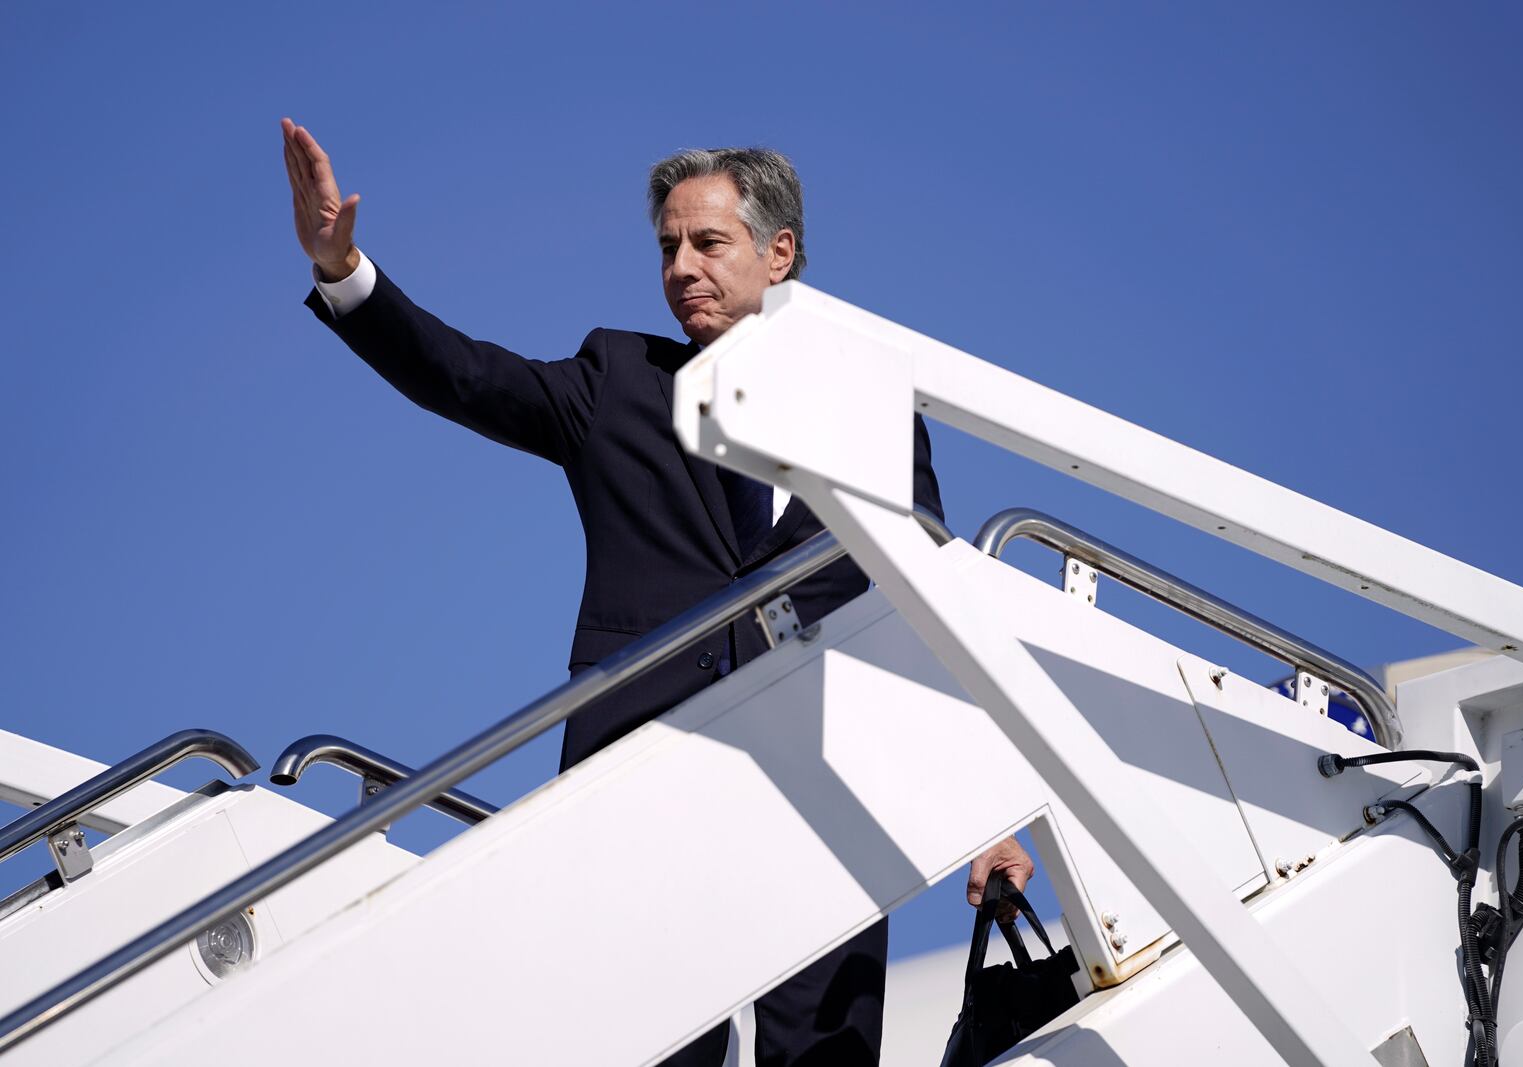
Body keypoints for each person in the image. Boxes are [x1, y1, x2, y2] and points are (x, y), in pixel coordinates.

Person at [280, 118, 1034, 1066]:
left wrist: (990, 813)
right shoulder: (619, 383)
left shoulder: (876, 415)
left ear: (780, 251)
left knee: (828, 1056)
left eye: (707, 242)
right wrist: (347, 271)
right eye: (668, 246)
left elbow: (927, 618)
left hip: (829, 797)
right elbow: (467, 374)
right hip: (647, 790)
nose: (681, 266)